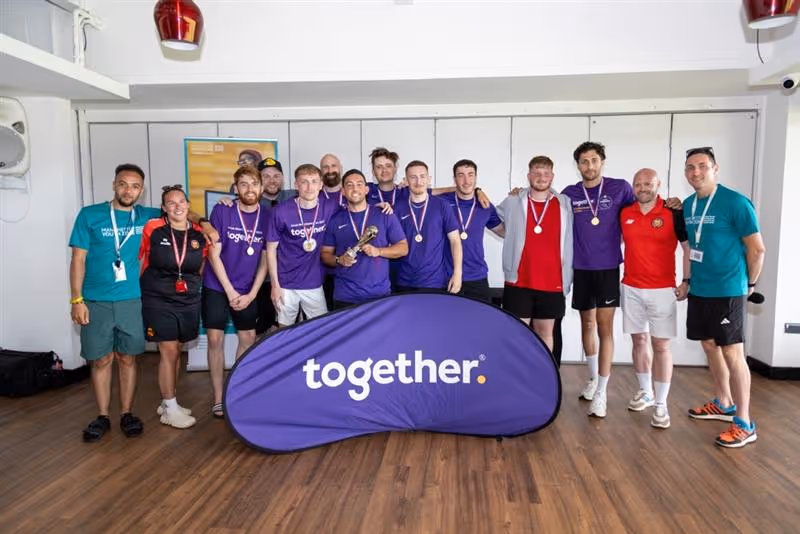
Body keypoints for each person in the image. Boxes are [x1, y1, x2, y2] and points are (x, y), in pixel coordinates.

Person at [69, 163, 217, 442]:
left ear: (142, 190)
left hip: (133, 299)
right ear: (114, 185)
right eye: (124, 184)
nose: (129, 190)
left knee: (127, 358)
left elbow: (180, 209)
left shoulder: (147, 217)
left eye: (135, 186)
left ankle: (126, 413)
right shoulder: (90, 215)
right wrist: (77, 299)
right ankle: (102, 416)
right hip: (95, 298)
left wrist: (205, 222)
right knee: (101, 360)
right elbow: (77, 259)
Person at [682, 147, 765, 448]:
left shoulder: (736, 202)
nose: (695, 172)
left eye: (702, 166)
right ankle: (724, 401)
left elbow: (757, 249)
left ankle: (744, 422)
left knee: (733, 352)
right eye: (690, 167)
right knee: (709, 345)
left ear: (715, 169)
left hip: (729, 290)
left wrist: (750, 285)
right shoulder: (690, 204)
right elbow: (691, 247)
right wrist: (687, 281)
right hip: (700, 290)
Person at [561, 142, 635, 417]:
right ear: (577, 165)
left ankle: (602, 392)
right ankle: (593, 379)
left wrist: (669, 204)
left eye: (594, 160)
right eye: (584, 161)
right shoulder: (569, 194)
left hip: (607, 269)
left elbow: (641, 209)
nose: (589, 166)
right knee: (587, 323)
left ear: (602, 162)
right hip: (581, 269)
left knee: (605, 327)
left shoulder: (620, 188)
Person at [620, 168, 689, 429]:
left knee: (660, 346)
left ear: (658, 185)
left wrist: (686, 281)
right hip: (632, 288)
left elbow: (687, 248)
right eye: (637, 184)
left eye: (648, 183)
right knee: (639, 341)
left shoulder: (673, 211)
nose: (642, 188)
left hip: (663, 290)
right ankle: (646, 391)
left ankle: (661, 404)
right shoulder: (625, 212)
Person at [139, 185, 208, 429]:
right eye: (171, 203)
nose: (177, 206)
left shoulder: (200, 234)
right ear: (164, 208)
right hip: (158, 298)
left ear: (189, 206)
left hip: (187, 299)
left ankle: (169, 401)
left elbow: (201, 265)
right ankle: (170, 407)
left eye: (182, 202)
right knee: (168, 351)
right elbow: (141, 259)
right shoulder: (153, 228)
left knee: (177, 350)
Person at [203, 165, 269, 419]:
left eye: (254, 183)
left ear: (261, 188)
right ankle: (219, 397)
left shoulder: (268, 216)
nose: (249, 189)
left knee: (248, 338)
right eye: (243, 184)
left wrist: (252, 294)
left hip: (247, 287)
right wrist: (229, 291)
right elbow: (213, 253)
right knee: (215, 339)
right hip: (217, 285)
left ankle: (236, 390)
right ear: (235, 188)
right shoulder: (223, 210)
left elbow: (265, 258)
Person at [498, 156, 573, 358]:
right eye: (537, 174)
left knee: (545, 334)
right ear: (529, 176)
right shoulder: (514, 201)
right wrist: (511, 235)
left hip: (552, 282)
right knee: (518, 334)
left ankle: (544, 380)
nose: (541, 178)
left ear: (552, 177)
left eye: (546, 174)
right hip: (519, 281)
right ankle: (519, 381)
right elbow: (492, 219)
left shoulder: (564, 204)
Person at [321, 169, 408, 308]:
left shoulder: (384, 214)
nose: (355, 188)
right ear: (343, 191)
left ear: (366, 189)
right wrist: (339, 259)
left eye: (359, 184)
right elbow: (325, 254)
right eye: (349, 185)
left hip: (378, 295)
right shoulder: (335, 220)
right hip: (345, 297)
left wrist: (379, 251)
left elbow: (403, 248)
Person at [266, 164, 341, 327]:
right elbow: (270, 250)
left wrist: (379, 207)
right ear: (296, 185)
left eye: (314, 181)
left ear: (321, 185)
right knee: (283, 333)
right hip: (285, 284)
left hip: (314, 283)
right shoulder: (280, 211)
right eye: (304, 182)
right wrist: (275, 285)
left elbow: (356, 210)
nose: (309, 187)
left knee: (320, 331)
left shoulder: (331, 206)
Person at [439, 159, 504, 303]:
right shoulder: (441, 202)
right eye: (460, 175)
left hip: (477, 276)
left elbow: (503, 232)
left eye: (470, 174)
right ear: (454, 179)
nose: (466, 180)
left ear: (476, 177)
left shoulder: (485, 205)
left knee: (479, 324)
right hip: (446, 276)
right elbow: (421, 192)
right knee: (448, 324)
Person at [393, 160, 463, 293]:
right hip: (405, 281)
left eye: (422, 176)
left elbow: (455, 241)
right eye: (413, 177)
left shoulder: (442, 206)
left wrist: (457, 274)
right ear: (406, 181)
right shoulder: (398, 208)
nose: (418, 181)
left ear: (429, 179)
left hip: (435, 282)